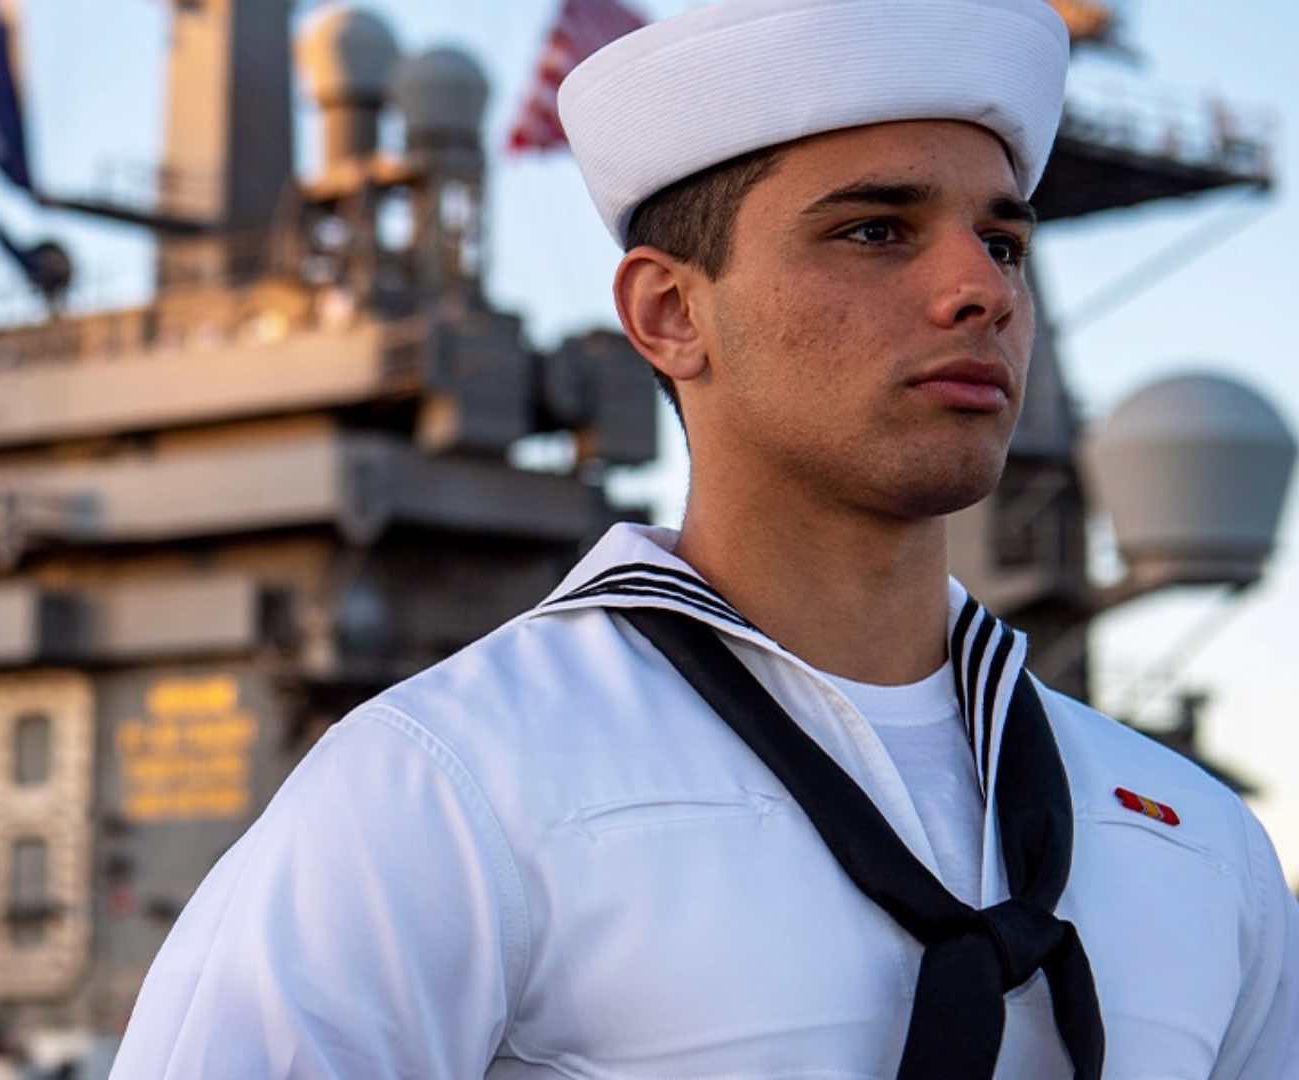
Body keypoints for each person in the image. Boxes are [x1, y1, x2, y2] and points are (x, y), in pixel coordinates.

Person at [111, 0, 1299, 1076]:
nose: (979, 289)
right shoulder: (446, 793)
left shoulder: (1192, 839)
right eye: (877, 231)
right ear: (671, 313)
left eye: (1003, 242)